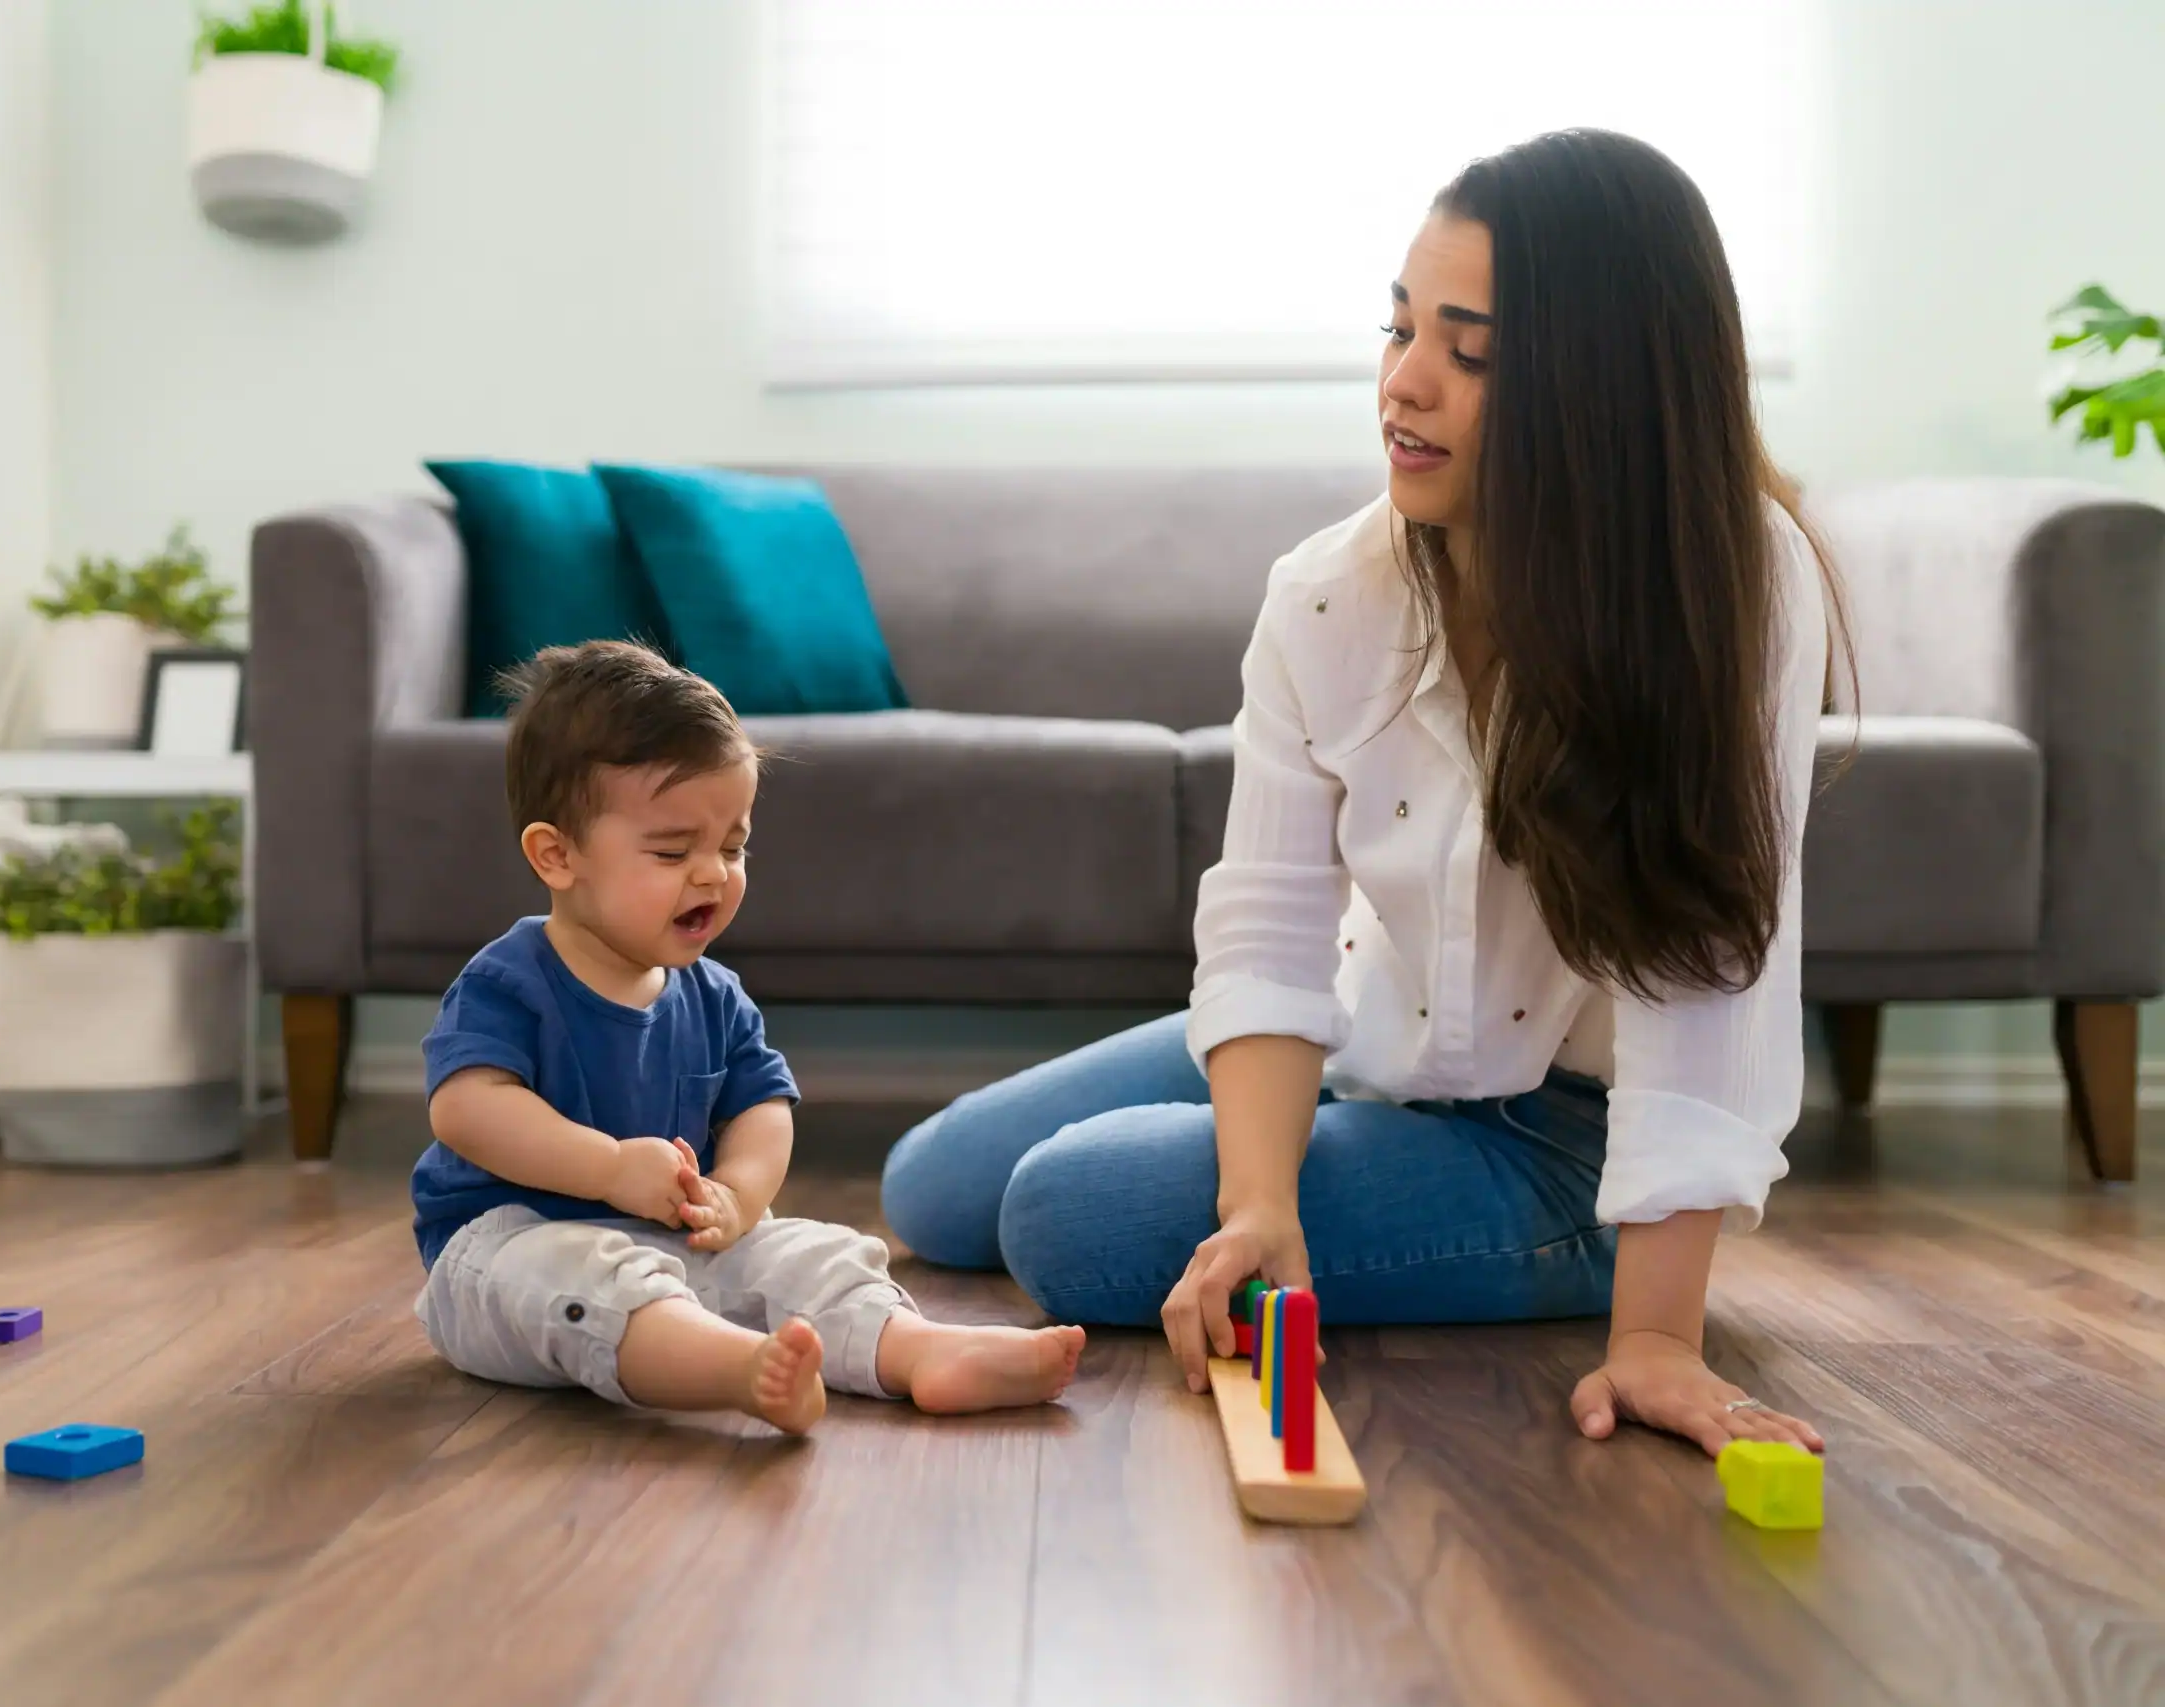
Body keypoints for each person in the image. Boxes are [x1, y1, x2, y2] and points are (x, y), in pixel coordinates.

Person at [880, 129, 1843, 1460]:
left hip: (1566, 1143)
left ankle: (1487, 1230)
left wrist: (1657, 1337)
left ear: (1599, 389)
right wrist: (1261, 1195)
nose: (1405, 384)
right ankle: (1311, 1156)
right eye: (1399, 329)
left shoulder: (1742, 584)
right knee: (932, 1184)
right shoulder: (1333, 592)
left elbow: (1709, 972)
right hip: (1370, 1041)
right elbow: (1275, 922)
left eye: (1472, 352)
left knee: (1065, 1216)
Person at [410, 640, 1085, 1434]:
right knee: (577, 1270)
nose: (713, 874)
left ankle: (916, 1349)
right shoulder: (509, 979)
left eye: (732, 847)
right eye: (672, 851)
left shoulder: (715, 994)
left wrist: (739, 1194)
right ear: (557, 855)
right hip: (502, 1256)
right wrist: (610, 1168)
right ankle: (735, 1368)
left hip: (670, 1242)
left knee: (805, 1251)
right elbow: (466, 1108)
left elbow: (764, 1108)